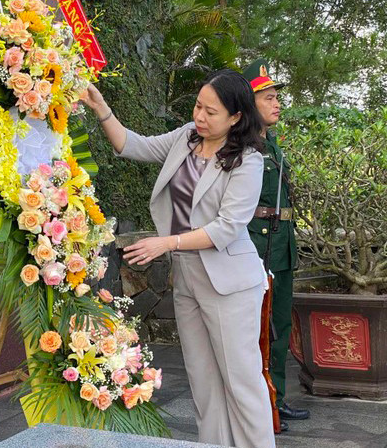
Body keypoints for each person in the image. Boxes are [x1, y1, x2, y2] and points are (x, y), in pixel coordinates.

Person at [81, 70, 275, 448]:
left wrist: (166, 243)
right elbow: (132, 145)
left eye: (211, 112)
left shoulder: (248, 160)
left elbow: (226, 228)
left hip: (230, 283)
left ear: (236, 116)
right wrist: (101, 108)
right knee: (203, 383)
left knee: (241, 383)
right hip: (188, 277)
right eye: (198, 106)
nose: (199, 116)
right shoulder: (186, 137)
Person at [243, 59, 310, 428]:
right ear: (248, 103)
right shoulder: (244, 147)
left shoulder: (272, 145)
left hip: (281, 248)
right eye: (267, 97)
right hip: (258, 248)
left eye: (276, 97)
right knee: (257, 331)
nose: (277, 103)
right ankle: (257, 406)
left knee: (280, 328)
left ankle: (275, 400)